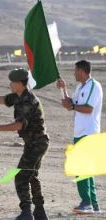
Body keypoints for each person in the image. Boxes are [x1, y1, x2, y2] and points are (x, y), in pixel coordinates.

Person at [0, 68, 49, 220]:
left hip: (36, 143)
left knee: (21, 176)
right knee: (31, 176)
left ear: (20, 84)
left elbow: (19, 125)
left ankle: (26, 212)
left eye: (12, 82)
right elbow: (4, 99)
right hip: (34, 142)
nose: (10, 84)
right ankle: (40, 211)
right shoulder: (18, 96)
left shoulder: (28, 101)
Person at [56, 60, 103, 215]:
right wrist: (63, 90)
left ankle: (86, 202)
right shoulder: (80, 87)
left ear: (82, 71)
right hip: (80, 132)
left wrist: (73, 106)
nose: (74, 73)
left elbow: (88, 109)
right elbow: (71, 104)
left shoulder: (93, 86)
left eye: (75, 70)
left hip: (88, 133)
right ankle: (93, 205)